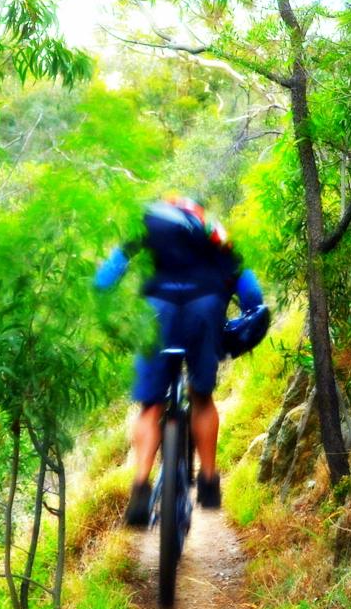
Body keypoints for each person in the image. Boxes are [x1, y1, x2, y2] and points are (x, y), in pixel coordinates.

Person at [94, 196, 269, 526]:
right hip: (205, 309)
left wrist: (109, 307)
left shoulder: (147, 225)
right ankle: (209, 482)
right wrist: (249, 313)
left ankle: (141, 486)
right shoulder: (211, 229)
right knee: (201, 396)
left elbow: (105, 279)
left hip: (157, 311)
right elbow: (248, 287)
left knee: (151, 406)